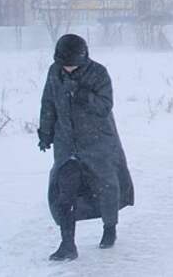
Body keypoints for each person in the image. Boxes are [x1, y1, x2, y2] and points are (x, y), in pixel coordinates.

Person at [37, 34, 134, 261]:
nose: (68, 69)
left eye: (73, 65)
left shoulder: (98, 73)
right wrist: (46, 132)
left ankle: (109, 227)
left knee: (106, 188)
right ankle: (68, 244)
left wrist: (80, 94)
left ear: (83, 58)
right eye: (65, 65)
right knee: (64, 192)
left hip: (98, 142)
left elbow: (104, 106)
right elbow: (48, 102)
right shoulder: (54, 72)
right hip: (66, 144)